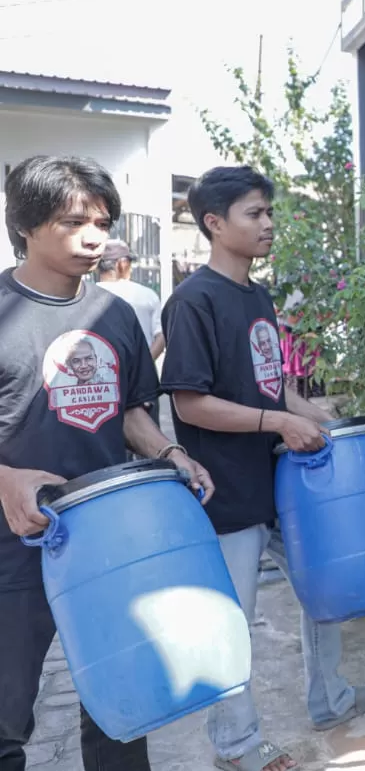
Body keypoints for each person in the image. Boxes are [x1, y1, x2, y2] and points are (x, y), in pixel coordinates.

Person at [159, 166, 365, 771]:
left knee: (324, 590)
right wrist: (278, 425)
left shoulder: (257, 295)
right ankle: (237, 748)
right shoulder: (192, 302)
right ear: (214, 223)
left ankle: (331, 697)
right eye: (254, 214)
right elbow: (189, 402)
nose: (268, 224)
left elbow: (275, 386)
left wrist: (319, 421)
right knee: (232, 622)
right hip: (227, 488)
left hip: (289, 484)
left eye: (269, 212)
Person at [0, 155, 214, 771]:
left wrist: (170, 452)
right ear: (27, 225)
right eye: (74, 222)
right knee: (6, 712)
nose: (95, 236)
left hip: (108, 539)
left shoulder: (114, 315)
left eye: (102, 220)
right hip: (15, 549)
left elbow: (125, 412)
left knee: (123, 704)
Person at [96, 239, 164, 361]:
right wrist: (144, 366)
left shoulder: (88, 295)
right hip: (140, 374)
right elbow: (161, 336)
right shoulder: (146, 295)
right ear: (122, 264)